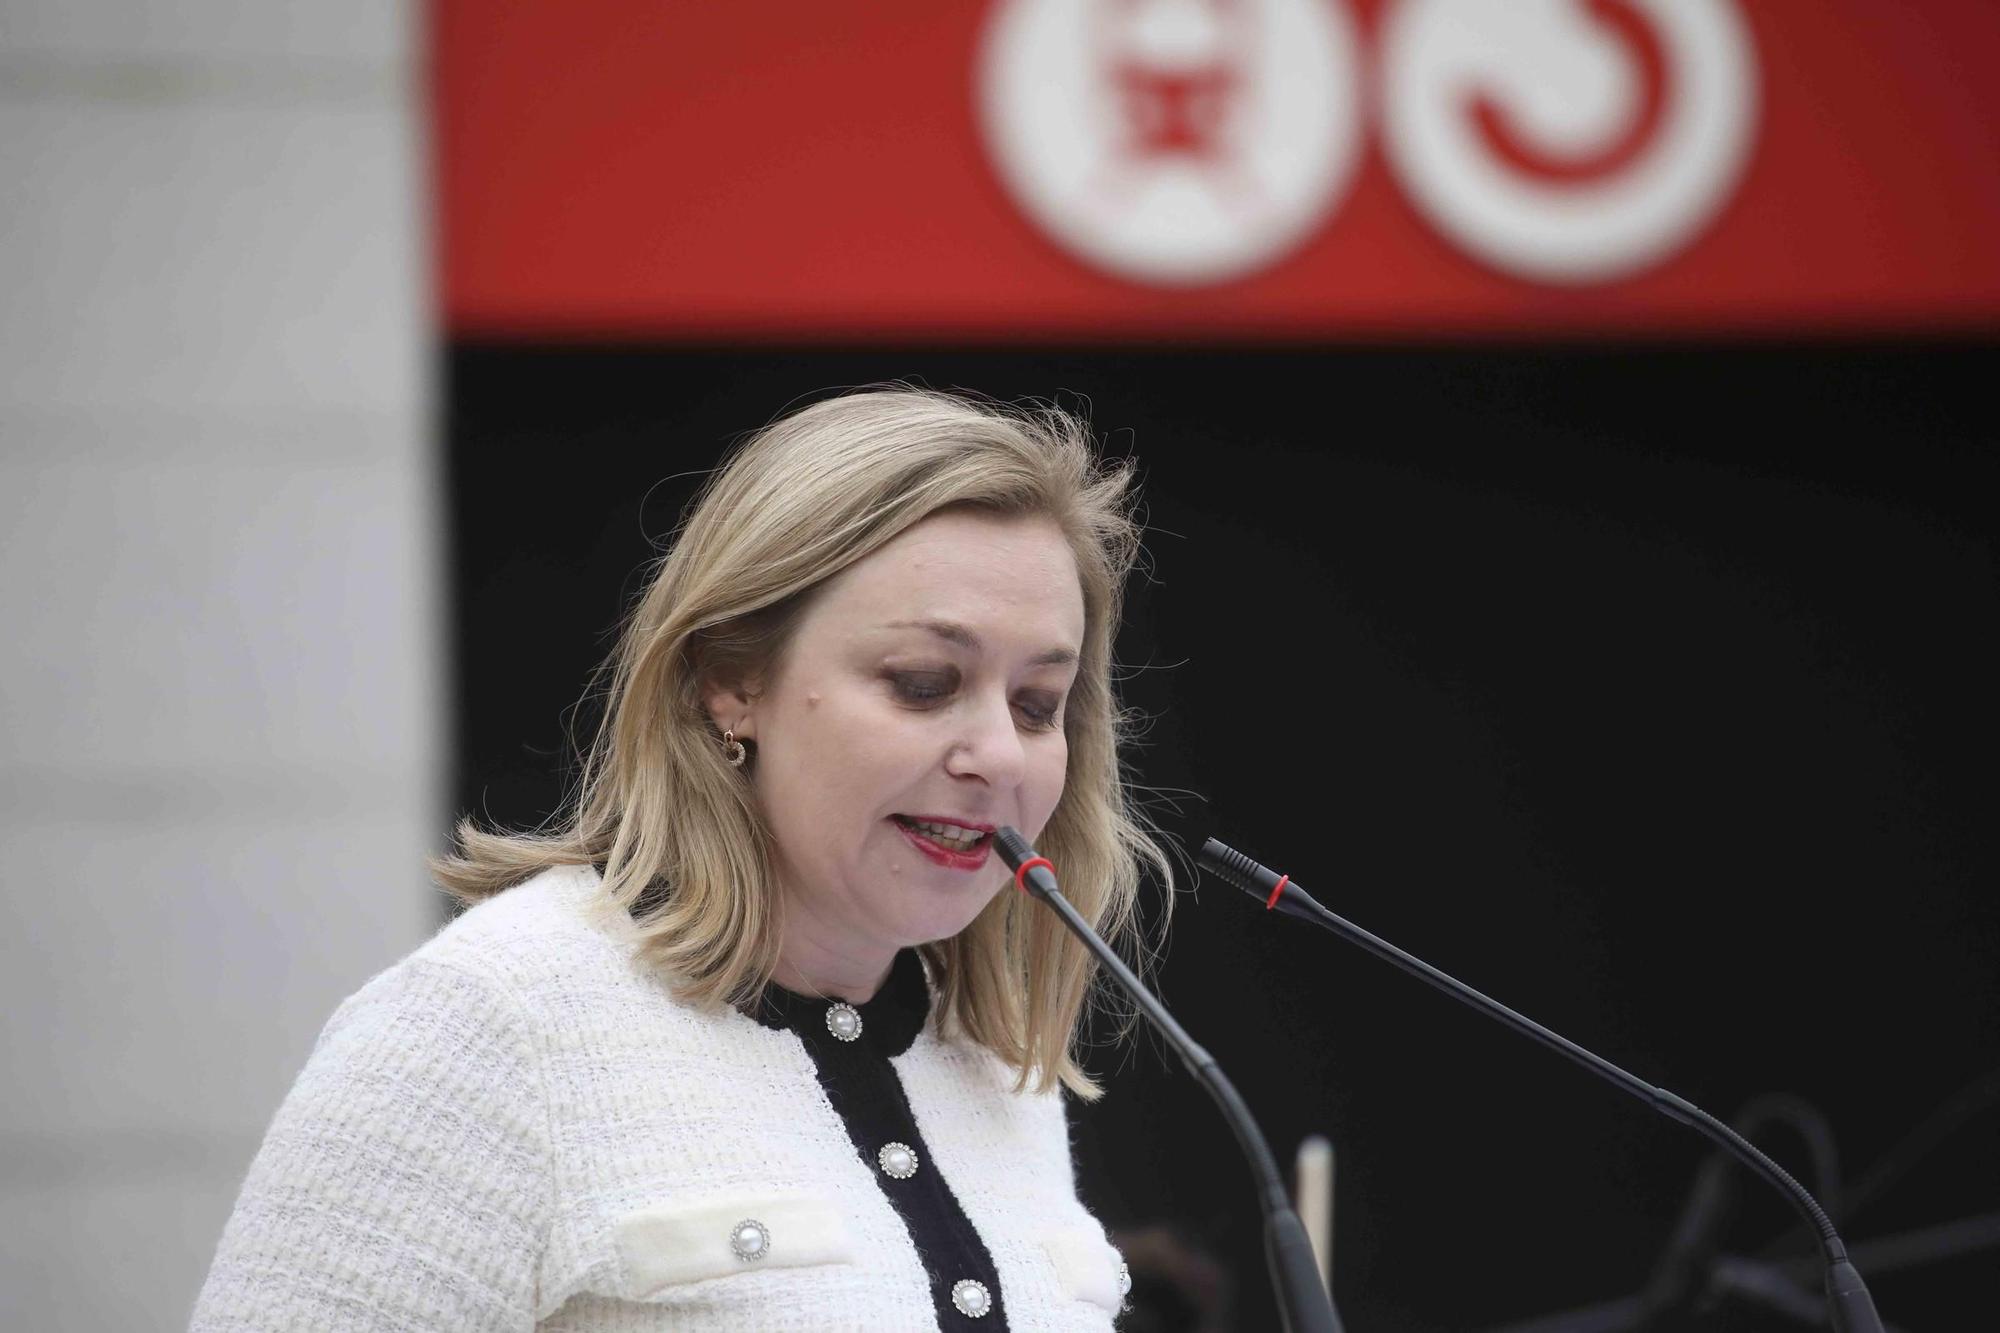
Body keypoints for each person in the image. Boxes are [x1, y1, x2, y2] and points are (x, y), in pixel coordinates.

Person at [190, 387, 1176, 1330]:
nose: (997, 755)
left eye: (1037, 705)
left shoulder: (997, 1067)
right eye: (922, 684)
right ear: (728, 682)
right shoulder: (497, 1020)